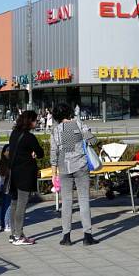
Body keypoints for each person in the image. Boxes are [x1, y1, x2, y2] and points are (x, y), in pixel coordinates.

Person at [50, 102, 98, 246]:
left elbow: (54, 152)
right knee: (83, 200)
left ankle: (66, 236)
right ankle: (87, 236)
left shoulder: (56, 130)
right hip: (81, 166)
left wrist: (54, 173)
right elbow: (93, 140)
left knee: (66, 202)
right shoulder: (78, 124)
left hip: (64, 167)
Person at [7, 110, 43, 246]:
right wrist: (33, 153)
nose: (36, 122)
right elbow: (40, 153)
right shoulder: (29, 137)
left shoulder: (14, 134)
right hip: (25, 174)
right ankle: (18, 236)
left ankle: (13, 234)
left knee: (14, 204)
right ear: (30, 122)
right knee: (22, 205)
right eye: (35, 120)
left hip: (14, 174)